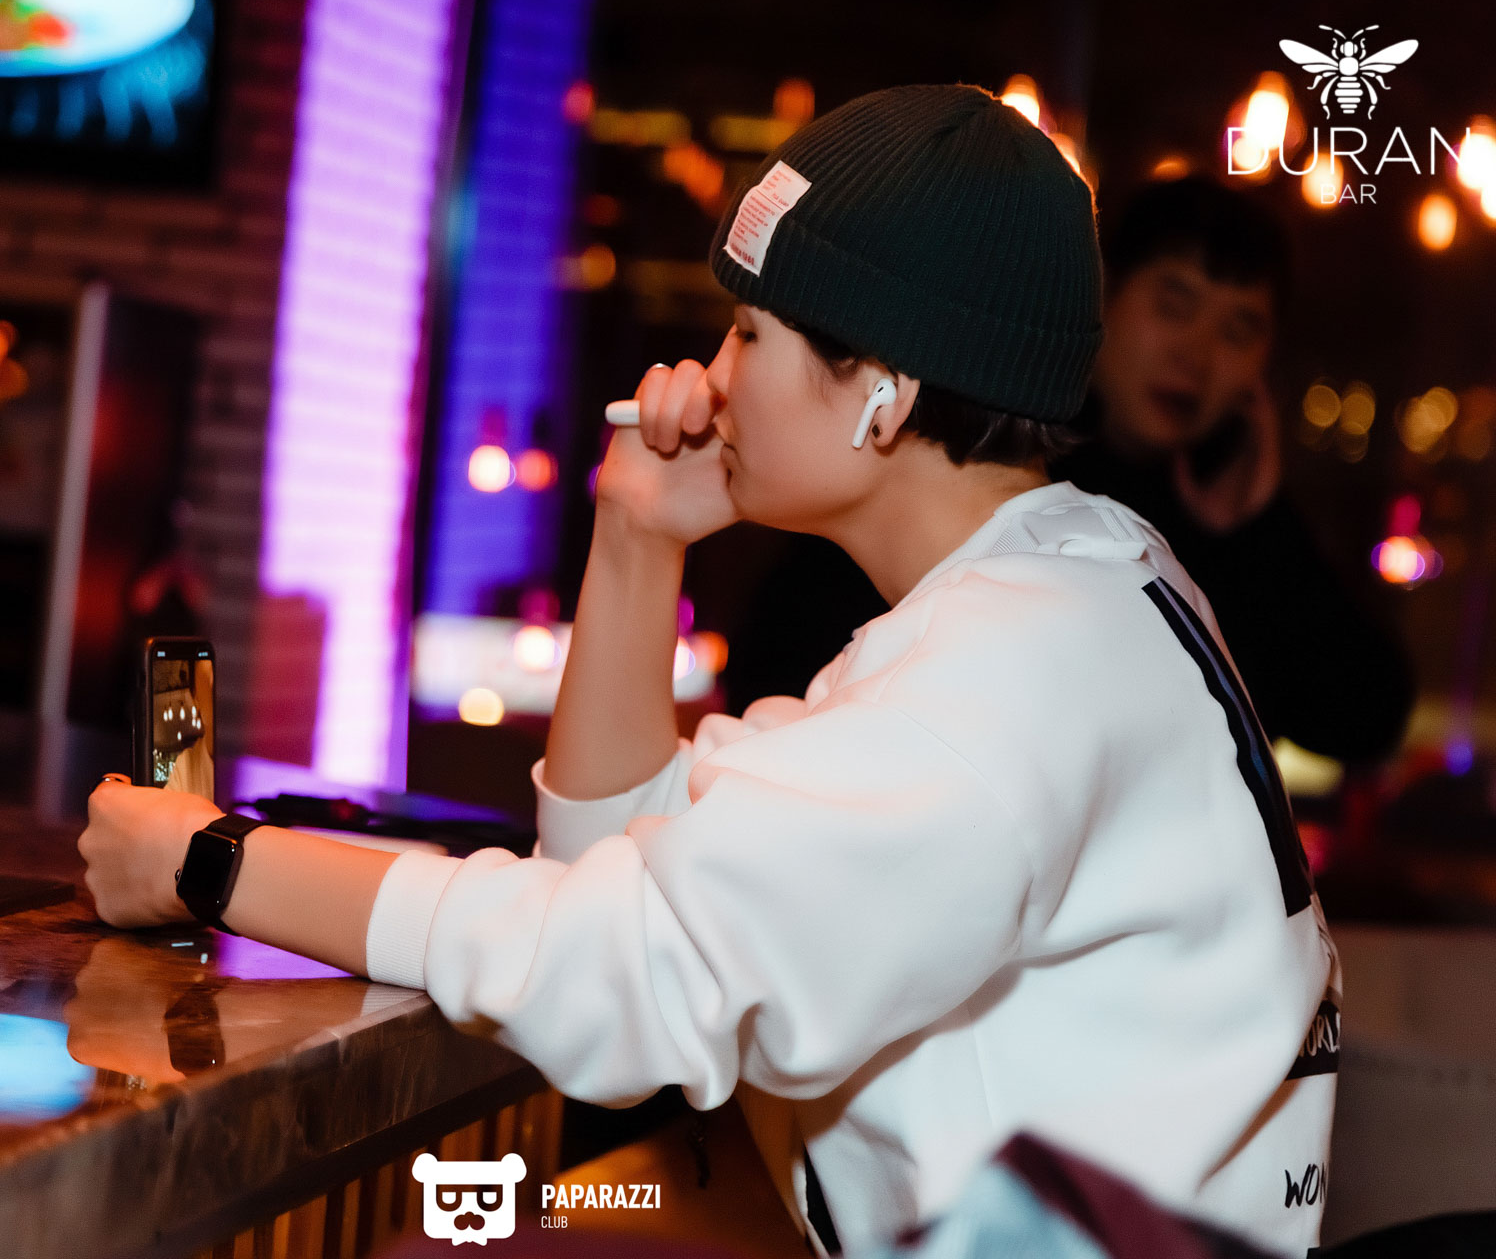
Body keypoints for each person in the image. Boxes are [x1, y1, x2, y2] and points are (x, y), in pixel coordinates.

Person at [79, 86, 1339, 1258]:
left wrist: (213, 861)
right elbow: (623, 874)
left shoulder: (1003, 677)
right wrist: (638, 537)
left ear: (884, 394)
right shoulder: (1080, 573)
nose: (712, 377)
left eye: (747, 330)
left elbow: (616, 976)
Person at [726, 176, 1414, 768]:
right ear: (1102, 299)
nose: (1197, 354)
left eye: (1237, 331)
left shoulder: (1232, 531)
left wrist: (1259, 532)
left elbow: (1364, 722)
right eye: (1173, 305)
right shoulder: (990, 455)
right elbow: (782, 663)